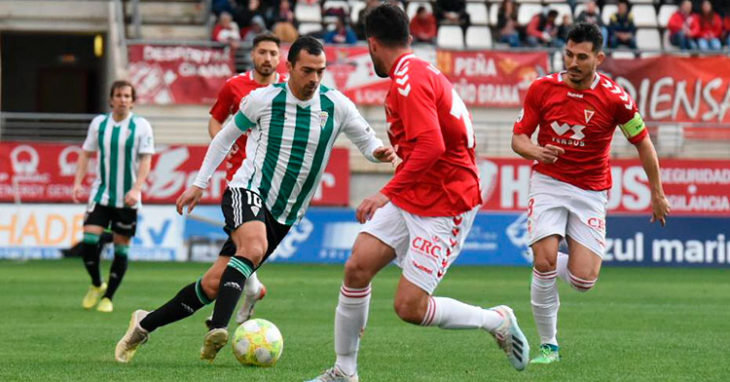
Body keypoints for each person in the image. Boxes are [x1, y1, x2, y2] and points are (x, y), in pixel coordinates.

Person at [114, 36, 396, 364]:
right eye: (307, 71)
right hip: (246, 189)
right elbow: (224, 137)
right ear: (288, 67)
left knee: (213, 283)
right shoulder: (262, 99)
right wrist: (199, 184)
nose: (314, 79)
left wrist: (380, 153)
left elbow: (369, 143)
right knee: (253, 246)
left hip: (286, 213)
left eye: (320, 71)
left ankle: (144, 324)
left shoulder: (337, 105)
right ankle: (217, 329)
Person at [307, 5, 530, 382]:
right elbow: (430, 140)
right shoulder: (418, 70)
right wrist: (402, 158)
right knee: (358, 266)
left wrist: (384, 194)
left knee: (409, 307)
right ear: (408, 38)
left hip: (446, 202)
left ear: (372, 44)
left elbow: (433, 146)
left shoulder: (407, 80)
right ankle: (345, 372)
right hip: (420, 190)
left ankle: (496, 320)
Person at [511, 22, 670, 365]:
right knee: (544, 261)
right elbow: (519, 138)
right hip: (549, 182)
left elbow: (643, 143)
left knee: (584, 281)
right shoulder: (541, 89)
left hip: (590, 190)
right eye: (569, 53)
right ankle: (548, 346)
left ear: (599, 58)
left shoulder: (616, 99)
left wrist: (657, 192)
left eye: (582, 57)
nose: (573, 62)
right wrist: (535, 152)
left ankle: (550, 265)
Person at [207, 33, 285, 326]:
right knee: (243, 235)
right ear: (253, 54)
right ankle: (246, 291)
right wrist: (222, 142)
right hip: (240, 175)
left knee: (245, 241)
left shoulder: (287, 88)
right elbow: (216, 119)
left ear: (280, 58)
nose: (267, 58)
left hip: (273, 177)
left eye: (273, 53)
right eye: (262, 52)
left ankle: (248, 289)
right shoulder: (234, 86)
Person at [72, 81, 155, 313]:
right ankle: (97, 283)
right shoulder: (99, 123)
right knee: (89, 239)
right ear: (111, 99)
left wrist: (137, 189)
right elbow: (86, 153)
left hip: (128, 198)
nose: (123, 99)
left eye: (127, 95)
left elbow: (146, 160)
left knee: (121, 247)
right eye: (118, 95)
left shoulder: (141, 126)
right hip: (102, 193)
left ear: (133, 100)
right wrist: (78, 183)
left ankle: (108, 297)